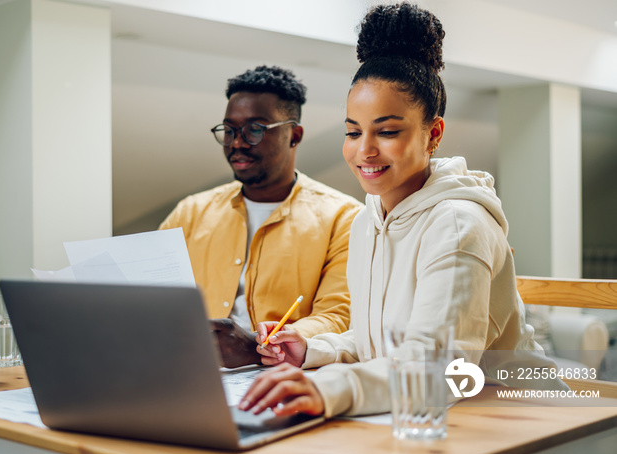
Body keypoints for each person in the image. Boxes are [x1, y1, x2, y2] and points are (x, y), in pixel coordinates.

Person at [238, 2, 566, 418]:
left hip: (517, 418)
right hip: (425, 413)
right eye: (352, 132)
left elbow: (439, 368)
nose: (364, 150)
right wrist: (311, 350)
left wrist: (330, 389)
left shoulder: (458, 225)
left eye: (388, 131)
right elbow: (378, 341)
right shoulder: (367, 220)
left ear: (434, 135)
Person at [159, 65, 363, 368]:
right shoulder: (190, 212)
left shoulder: (344, 217)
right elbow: (151, 296)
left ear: (294, 135)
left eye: (255, 129)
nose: (237, 143)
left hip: (285, 373)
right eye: (229, 130)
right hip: (188, 368)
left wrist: (260, 344)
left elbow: (339, 315)